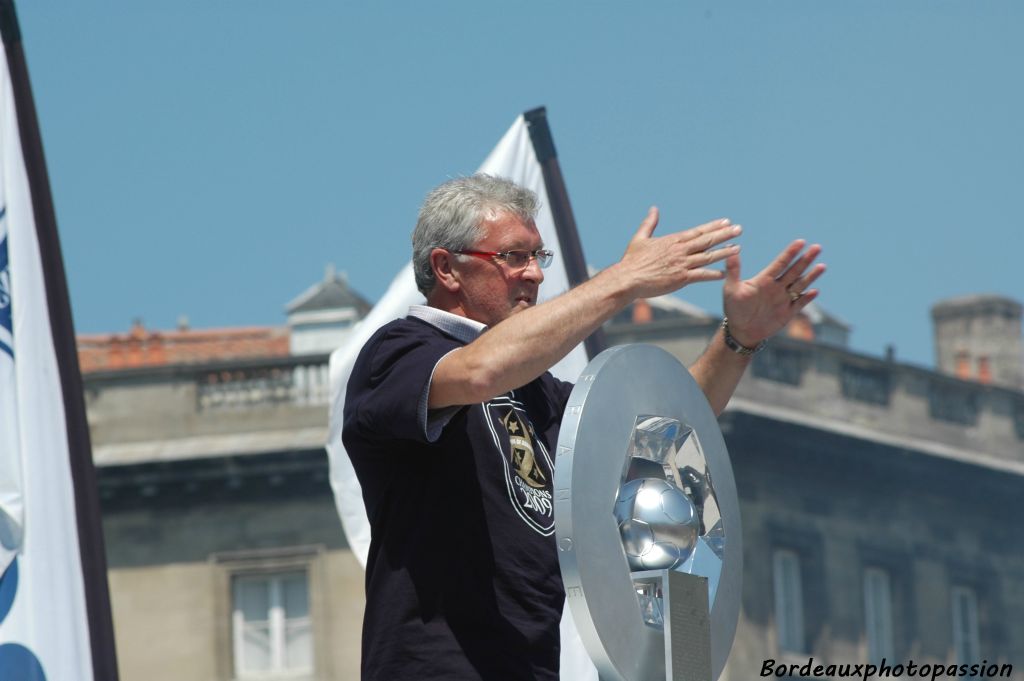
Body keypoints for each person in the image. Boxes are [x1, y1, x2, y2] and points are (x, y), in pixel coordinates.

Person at [342, 174, 824, 681]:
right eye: (512, 257)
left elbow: (662, 432)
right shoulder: (399, 353)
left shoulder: (539, 391)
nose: (534, 275)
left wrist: (739, 340)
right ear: (447, 267)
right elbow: (478, 372)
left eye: (538, 257)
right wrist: (624, 280)